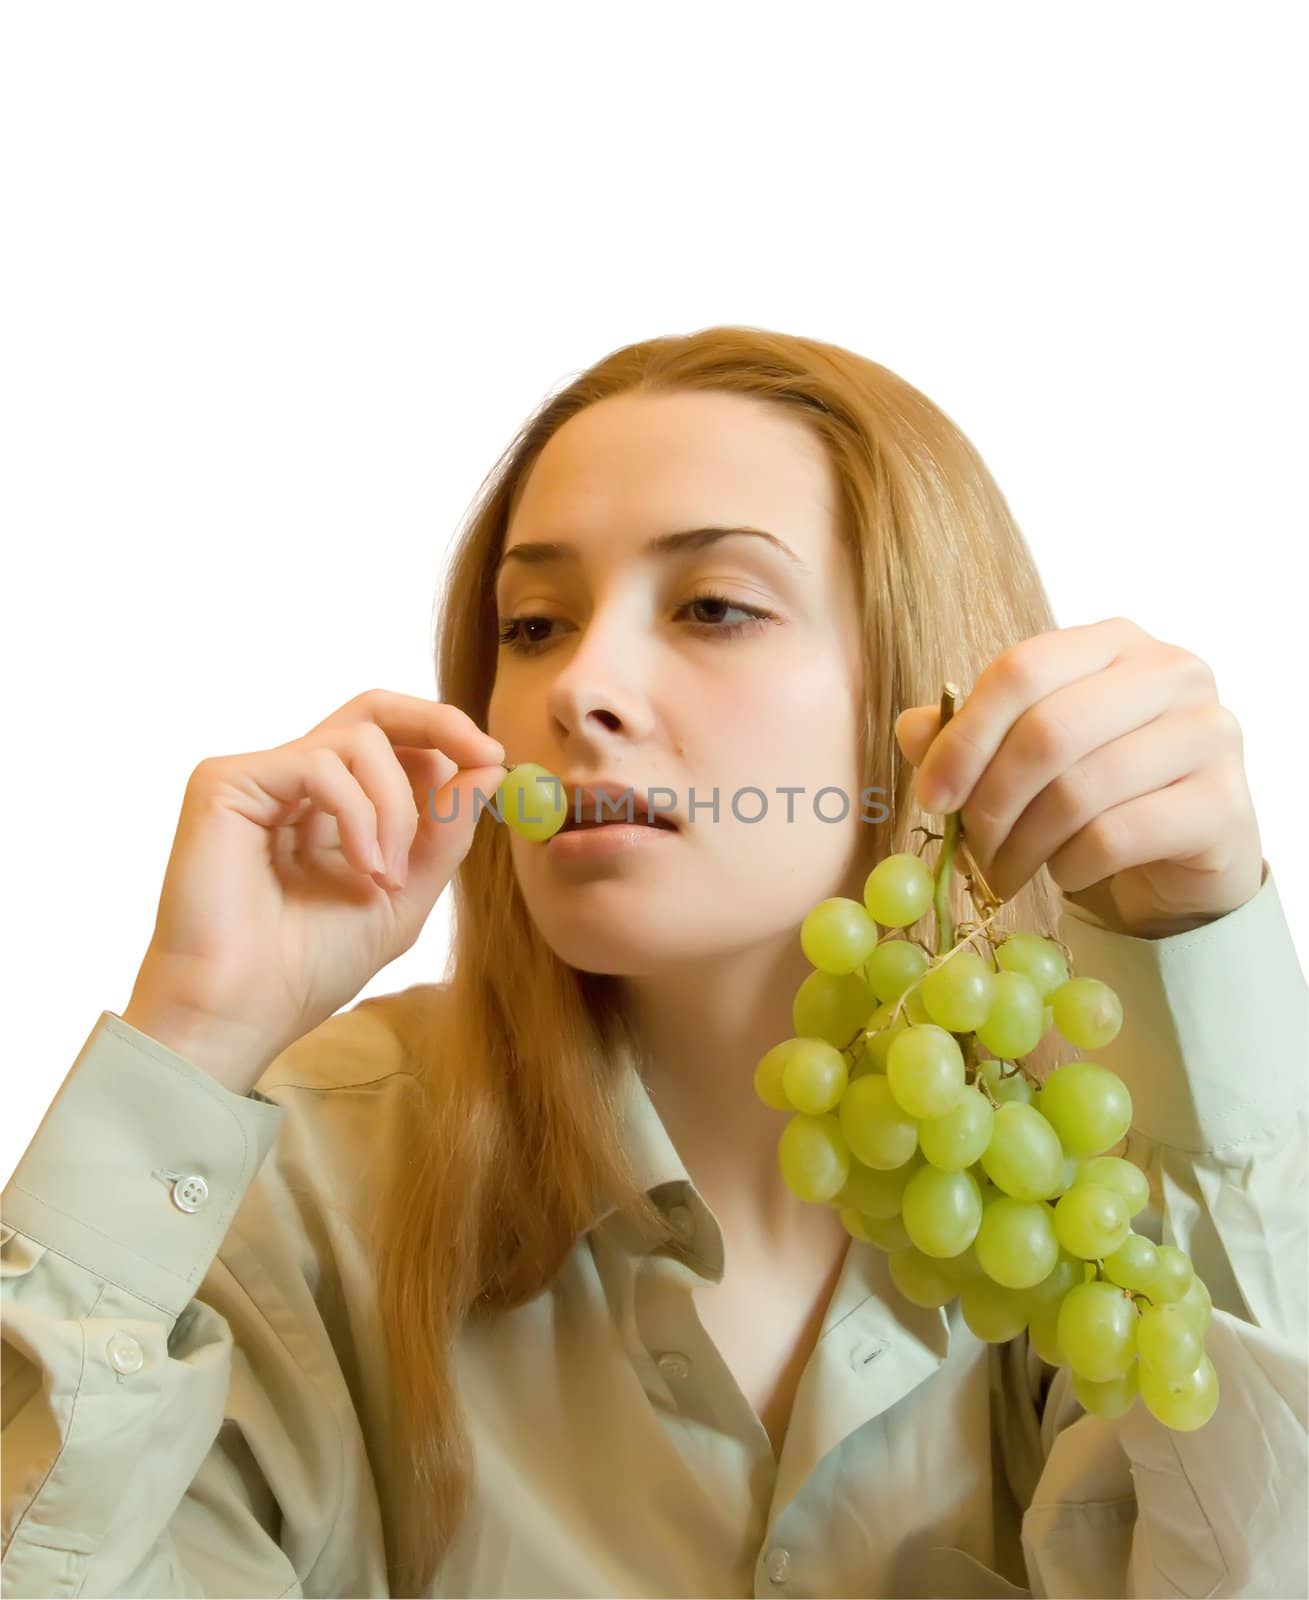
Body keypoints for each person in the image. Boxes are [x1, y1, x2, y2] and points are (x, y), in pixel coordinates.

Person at [3, 326, 1305, 1600]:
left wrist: (1201, 936)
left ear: (922, 692)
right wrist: (194, 1032)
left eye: (713, 607)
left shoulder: (1119, 1178)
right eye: (533, 625)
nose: (581, 687)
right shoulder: (298, 1173)